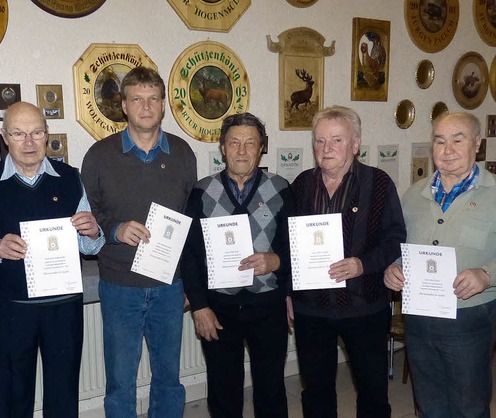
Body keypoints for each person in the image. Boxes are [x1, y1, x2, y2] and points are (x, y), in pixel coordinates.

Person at [0, 101, 104, 418]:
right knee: (12, 395)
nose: (29, 142)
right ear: (5, 136)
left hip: (63, 306)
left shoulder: (70, 178)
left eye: (36, 132)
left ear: (46, 134)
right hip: (12, 308)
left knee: (64, 393)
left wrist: (94, 232)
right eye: (18, 133)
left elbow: (91, 246)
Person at [81, 66, 197, 418]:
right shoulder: (98, 156)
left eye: (153, 99)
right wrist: (115, 228)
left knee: (169, 378)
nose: (145, 107)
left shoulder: (183, 153)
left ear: (163, 105)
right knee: (120, 381)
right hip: (119, 286)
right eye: (137, 99)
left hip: (169, 285)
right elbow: (85, 216)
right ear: (124, 106)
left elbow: (190, 224)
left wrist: (192, 281)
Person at [291, 105, 405, 418]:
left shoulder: (379, 183)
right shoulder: (300, 185)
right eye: (319, 141)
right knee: (315, 391)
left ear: (355, 144)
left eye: (336, 140)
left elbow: (395, 238)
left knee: (372, 391)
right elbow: (288, 245)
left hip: (364, 307)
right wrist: (288, 292)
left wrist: (362, 264)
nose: (326, 148)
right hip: (311, 309)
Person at [181, 112, 295, 417]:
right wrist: (200, 307)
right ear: (222, 148)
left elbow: (294, 246)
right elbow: (189, 255)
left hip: (267, 306)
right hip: (219, 308)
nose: (242, 151)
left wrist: (277, 261)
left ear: (261, 148)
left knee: (271, 389)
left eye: (250, 143)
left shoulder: (280, 188)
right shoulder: (202, 191)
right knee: (223, 390)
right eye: (234, 143)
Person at [384, 112, 496, 418]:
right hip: (419, 317)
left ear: (476, 144)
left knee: (469, 405)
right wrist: (393, 266)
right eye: (439, 140)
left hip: (470, 316)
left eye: (457, 140)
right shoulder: (413, 195)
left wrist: (487, 274)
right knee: (429, 402)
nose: (447, 150)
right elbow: (398, 244)